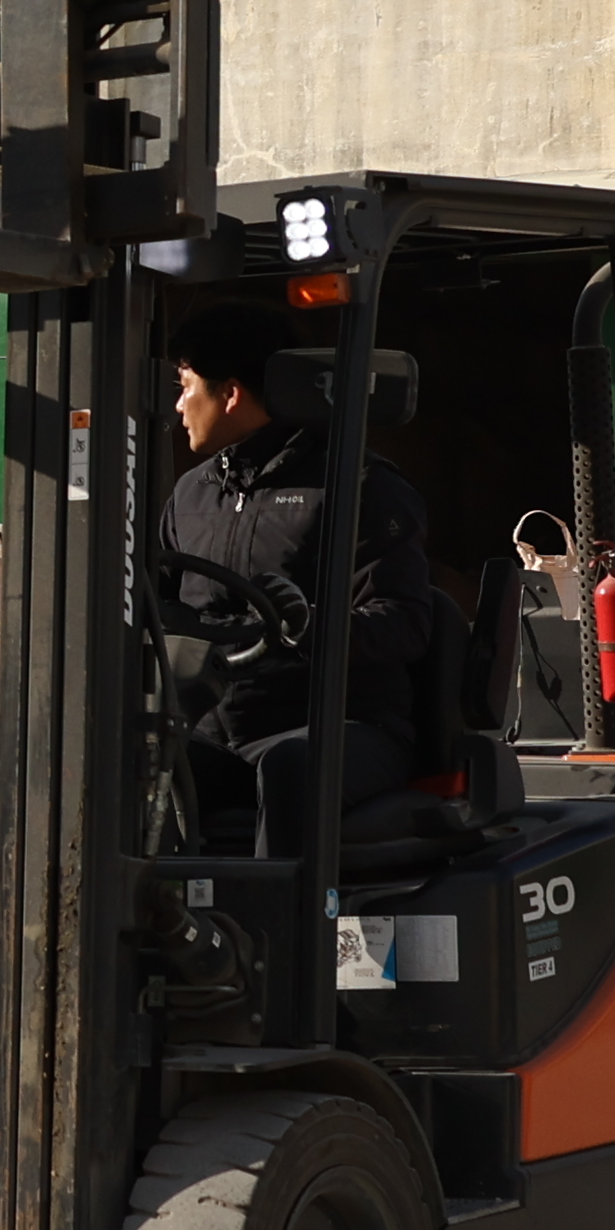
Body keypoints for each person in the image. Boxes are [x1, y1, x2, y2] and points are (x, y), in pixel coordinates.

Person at [163, 294, 446, 850]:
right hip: (222, 733)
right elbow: (161, 604)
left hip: (339, 729)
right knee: (132, 757)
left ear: (231, 394)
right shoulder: (189, 495)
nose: (178, 405)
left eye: (186, 385)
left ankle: (284, 930)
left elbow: (407, 623)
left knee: (291, 766)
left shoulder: (354, 486)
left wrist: (312, 624)